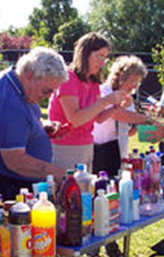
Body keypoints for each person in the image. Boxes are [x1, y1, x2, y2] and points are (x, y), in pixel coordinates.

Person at [0, 47, 67, 211]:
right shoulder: (10, 101)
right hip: (1, 179)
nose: (49, 96)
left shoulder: (17, 83)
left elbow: (20, 122)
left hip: (3, 176)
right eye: (47, 90)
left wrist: (40, 129)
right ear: (30, 75)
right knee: (15, 233)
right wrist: (61, 175)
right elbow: (15, 160)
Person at [48, 32, 128, 172]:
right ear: (85, 54)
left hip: (86, 146)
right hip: (64, 147)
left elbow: (98, 117)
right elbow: (75, 119)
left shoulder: (93, 82)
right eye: (99, 56)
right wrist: (106, 100)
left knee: (85, 190)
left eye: (105, 57)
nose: (102, 62)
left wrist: (115, 106)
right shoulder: (68, 79)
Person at [92, 55, 151, 177]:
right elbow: (119, 115)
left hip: (121, 152)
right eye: (133, 81)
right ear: (121, 76)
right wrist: (147, 119)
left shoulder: (128, 98)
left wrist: (136, 126)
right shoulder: (103, 92)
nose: (135, 86)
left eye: (138, 82)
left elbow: (129, 128)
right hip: (101, 150)